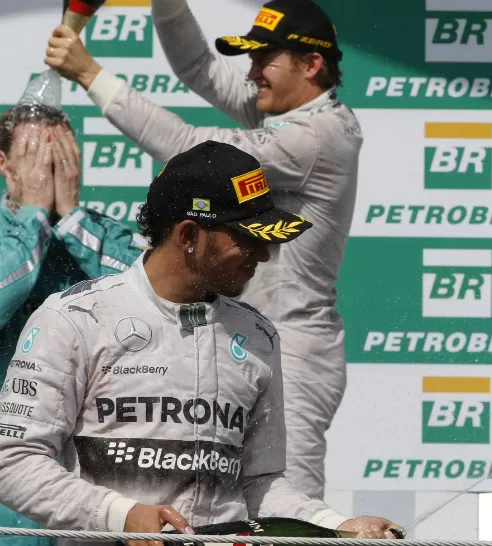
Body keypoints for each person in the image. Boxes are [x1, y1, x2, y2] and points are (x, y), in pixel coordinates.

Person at [0, 140, 401, 546]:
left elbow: (260, 485)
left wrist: (337, 525)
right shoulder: (75, 318)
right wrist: (119, 515)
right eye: (246, 237)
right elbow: (12, 462)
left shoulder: (258, 336)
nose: (263, 254)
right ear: (189, 234)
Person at [43, 0, 360, 498]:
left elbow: (191, 148)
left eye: (263, 61)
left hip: (293, 344)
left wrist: (90, 74)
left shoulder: (317, 136)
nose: (251, 74)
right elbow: (198, 67)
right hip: (241, 330)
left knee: (284, 507)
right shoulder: (289, 108)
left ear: (312, 64)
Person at [0, 103, 146, 546]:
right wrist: (33, 218)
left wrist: (74, 223)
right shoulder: (10, 233)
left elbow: (148, 303)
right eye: (35, 157)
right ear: (4, 163)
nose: (49, 169)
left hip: (95, 477)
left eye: (60, 156)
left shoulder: (103, 233)